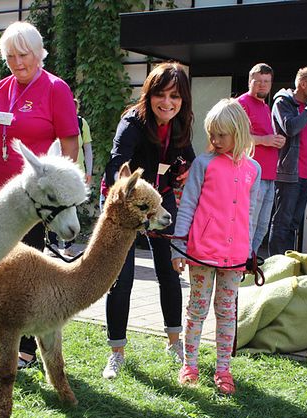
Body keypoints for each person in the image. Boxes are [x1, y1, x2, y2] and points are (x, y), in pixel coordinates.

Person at [0, 21, 80, 368]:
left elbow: (70, 143)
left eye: (23, 54)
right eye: (10, 56)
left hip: (33, 201)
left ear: (39, 52)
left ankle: (26, 342)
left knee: (25, 271)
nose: (17, 62)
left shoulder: (56, 89)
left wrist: (59, 191)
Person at [99, 61, 196, 379]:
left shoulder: (181, 124)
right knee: (121, 278)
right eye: (162, 95)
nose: (168, 103)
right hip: (126, 202)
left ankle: (174, 342)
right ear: (150, 93)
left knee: (169, 269)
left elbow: (190, 165)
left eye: (175, 97)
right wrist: (128, 194)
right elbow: (117, 164)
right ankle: (116, 353)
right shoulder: (132, 122)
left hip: (161, 198)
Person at [171, 98, 260, 395]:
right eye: (212, 134)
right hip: (200, 253)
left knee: (226, 312)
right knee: (197, 310)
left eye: (222, 135)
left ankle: (223, 369)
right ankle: (191, 364)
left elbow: (252, 213)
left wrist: (249, 253)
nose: (216, 140)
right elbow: (187, 206)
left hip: (234, 258)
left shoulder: (253, 170)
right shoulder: (204, 164)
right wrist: (178, 248)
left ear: (239, 132)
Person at [268, 66, 307, 255]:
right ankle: (275, 266)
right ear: (302, 84)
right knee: (282, 222)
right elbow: (290, 128)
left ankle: (288, 264)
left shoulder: (306, 108)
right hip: (288, 174)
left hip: (304, 175)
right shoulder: (283, 102)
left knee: (293, 223)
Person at [237, 63, 286, 257]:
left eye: (266, 82)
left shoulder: (266, 107)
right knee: (250, 222)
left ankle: (252, 261)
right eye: (258, 82)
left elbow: (263, 137)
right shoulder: (241, 104)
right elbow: (236, 136)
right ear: (250, 81)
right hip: (250, 175)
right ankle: (243, 260)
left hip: (269, 174)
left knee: (262, 225)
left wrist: (275, 140)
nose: (262, 86)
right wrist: (265, 140)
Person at [48, 98, 94, 257]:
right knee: (54, 207)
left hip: (77, 174)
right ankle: (52, 244)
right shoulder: (53, 122)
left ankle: (68, 245)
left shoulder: (82, 124)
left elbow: (87, 149)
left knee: (73, 208)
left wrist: (89, 172)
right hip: (58, 175)